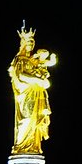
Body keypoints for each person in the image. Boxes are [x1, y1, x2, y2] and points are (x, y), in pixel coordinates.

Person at [8, 25, 57, 153]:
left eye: (32, 42)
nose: (30, 44)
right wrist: (38, 80)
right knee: (26, 119)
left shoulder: (34, 61)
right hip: (25, 94)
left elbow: (44, 67)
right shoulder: (20, 60)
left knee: (35, 122)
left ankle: (33, 147)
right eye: (28, 41)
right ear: (23, 43)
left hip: (36, 94)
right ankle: (21, 147)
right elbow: (21, 75)